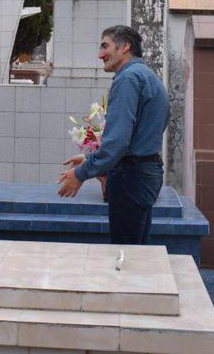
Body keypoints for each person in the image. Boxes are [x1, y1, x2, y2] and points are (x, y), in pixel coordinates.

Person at [57, 25, 169, 245]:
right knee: (137, 252)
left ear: (125, 46)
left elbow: (118, 142)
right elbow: (140, 136)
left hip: (131, 178)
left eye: (105, 46)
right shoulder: (147, 76)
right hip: (145, 174)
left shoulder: (128, 79)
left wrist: (82, 172)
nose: (100, 55)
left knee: (125, 256)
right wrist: (92, 158)